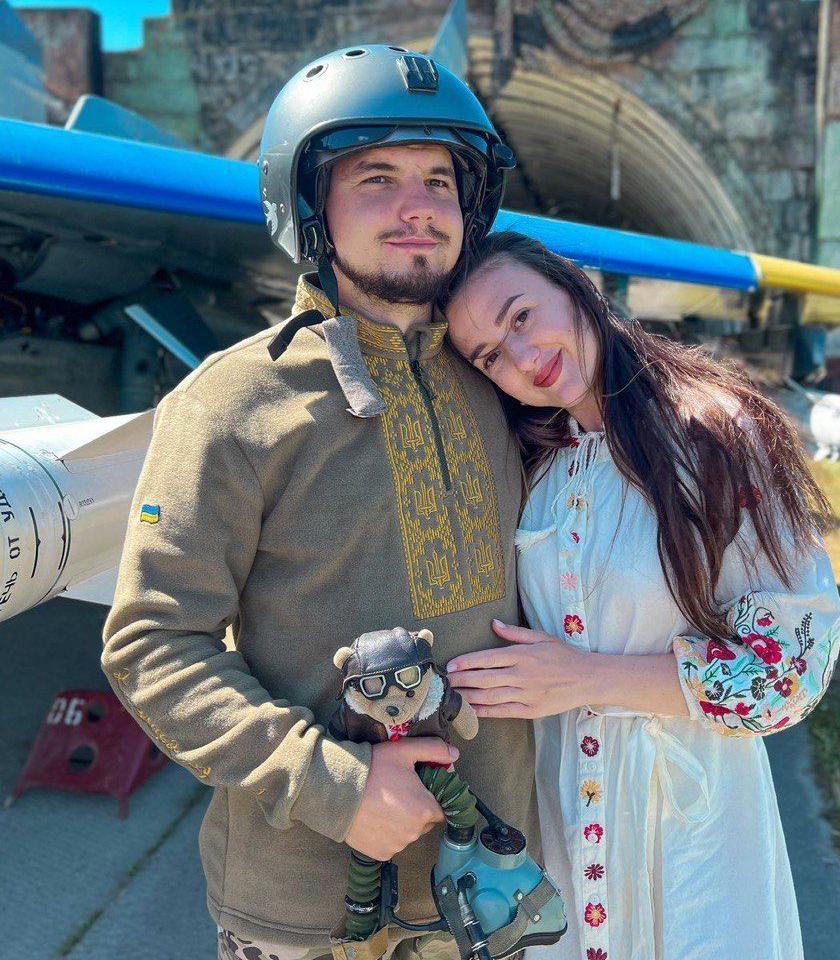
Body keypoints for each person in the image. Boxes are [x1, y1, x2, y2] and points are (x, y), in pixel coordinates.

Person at [101, 47, 535, 960]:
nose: (418, 204)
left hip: (489, 896)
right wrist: (333, 783)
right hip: (312, 914)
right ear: (310, 207)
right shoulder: (231, 406)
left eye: (439, 180)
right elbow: (151, 645)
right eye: (376, 177)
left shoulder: (501, 383)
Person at [442, 230, 840, 960]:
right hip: (565, 823)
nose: (522, 358)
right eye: (490, 356)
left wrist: (582, 677)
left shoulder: (716, 435)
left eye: (522, 316)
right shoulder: (536, 467)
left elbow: (790, 671)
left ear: (574, 287)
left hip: (695, 829)